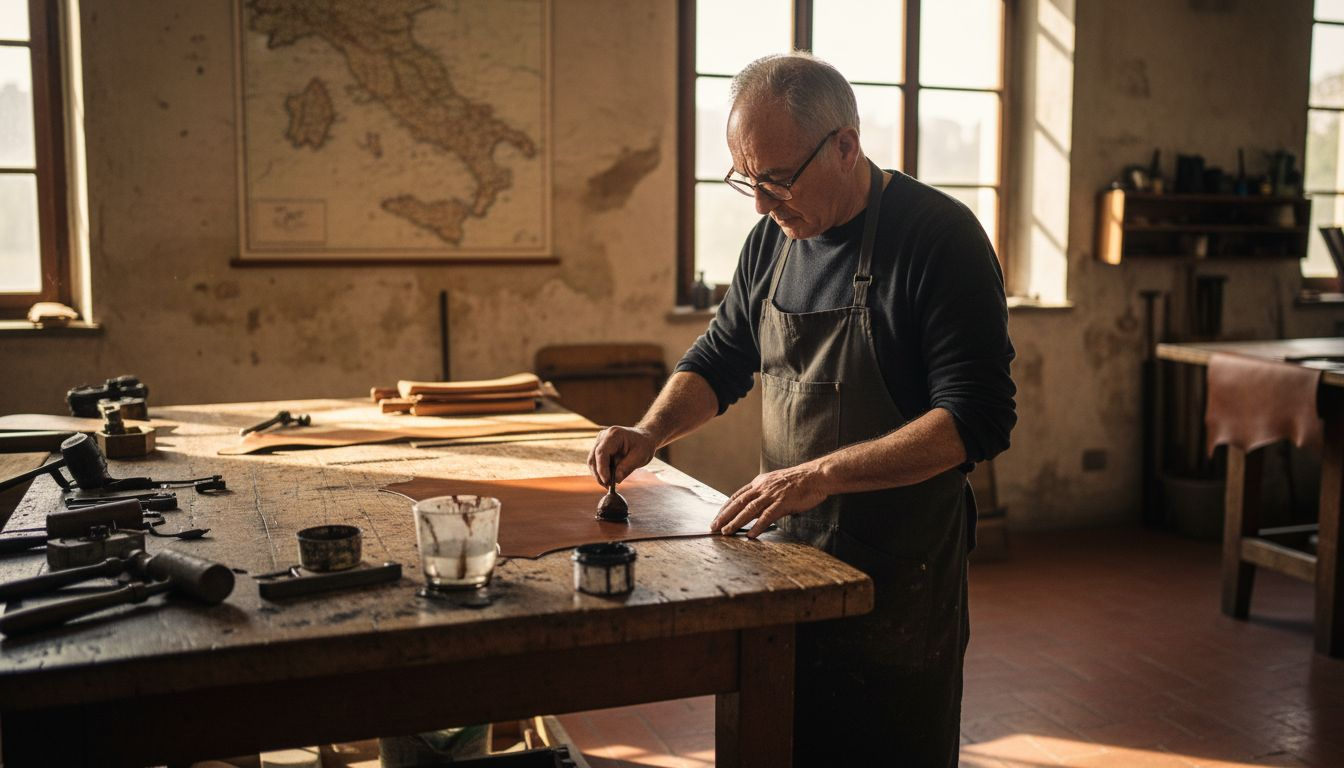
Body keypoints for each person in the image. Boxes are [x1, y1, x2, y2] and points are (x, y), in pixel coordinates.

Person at [589, 52, 1015, 766]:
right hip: (783, 564)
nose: (761, 204)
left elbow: (977, 418)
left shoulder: (939, 239)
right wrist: (651, 430)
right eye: (745, 181)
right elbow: (722, 357)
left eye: (777, 179)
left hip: (896, 575)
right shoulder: (772, 242)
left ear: (846, 145)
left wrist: (818, 475)